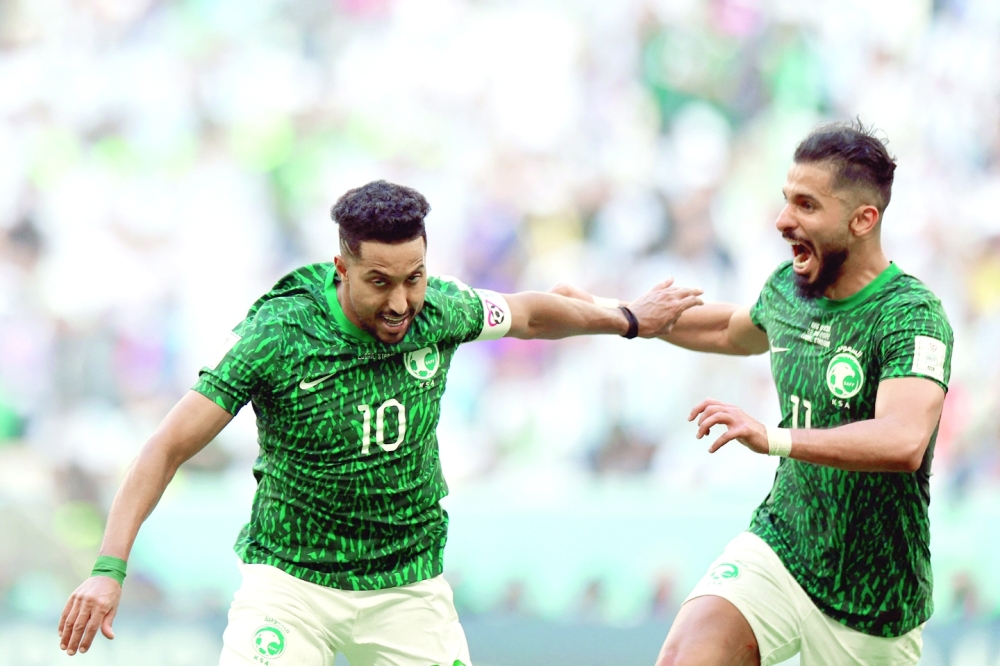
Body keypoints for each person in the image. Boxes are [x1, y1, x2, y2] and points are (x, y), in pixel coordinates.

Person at [57, 180, 704, 665]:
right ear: (342, 269)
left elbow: (531, 314)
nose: (401, 302)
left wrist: (626, 318)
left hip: (407, 588)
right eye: (380, 282)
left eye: (414, 278)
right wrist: (108, 569)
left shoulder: (440, 308)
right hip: (291, 584)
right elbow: (166, 447)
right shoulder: (280, 335)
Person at [557, 121, 953, 665]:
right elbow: (726, 328)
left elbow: (903, 440)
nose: (783, 220)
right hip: (782, 547)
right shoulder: (791, 289)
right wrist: (613, 313)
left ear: (864, 220)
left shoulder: (911, 315)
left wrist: (774, 437)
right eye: (786, 200)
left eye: (807, 206)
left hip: (874, 599)